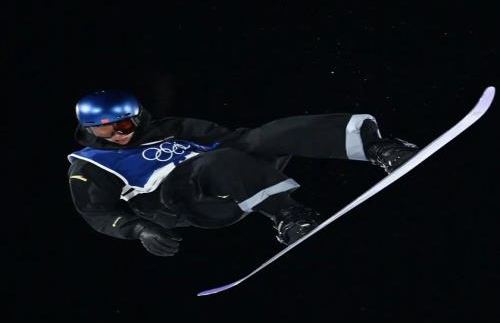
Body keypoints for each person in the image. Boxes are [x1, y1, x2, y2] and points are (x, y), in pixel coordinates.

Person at [68, 89, 419, 257]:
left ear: (138, 116)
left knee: (267, 135)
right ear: (89, 129)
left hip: (229, 176)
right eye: (104, 130)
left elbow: (234, 142)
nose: (117, 135)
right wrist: (139, 229)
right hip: (179, 203)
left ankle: (379, 149)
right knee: (215, 162)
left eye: (123, 125)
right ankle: (287, 217)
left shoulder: (174, 128)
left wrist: (265, 143)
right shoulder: (91, 163)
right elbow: (97, 212)